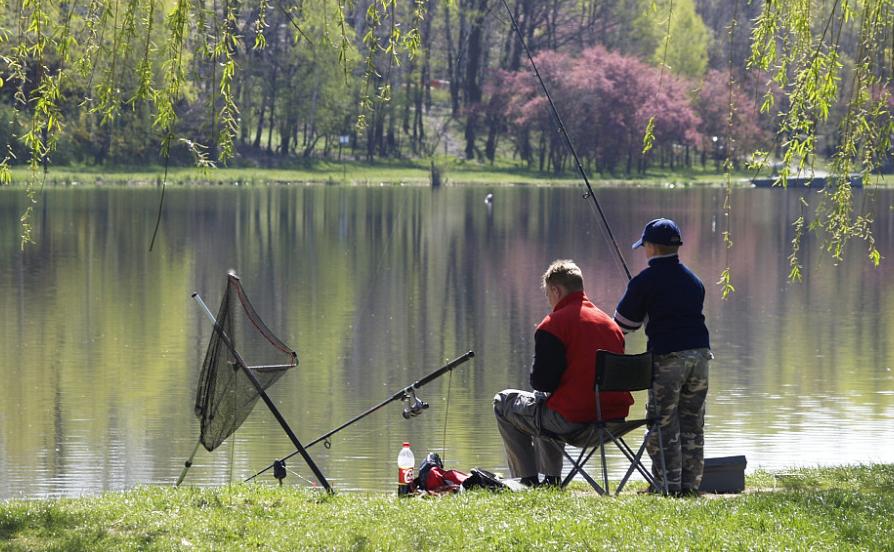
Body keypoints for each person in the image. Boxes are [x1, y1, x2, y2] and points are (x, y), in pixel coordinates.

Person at [493, 259, 631, 487]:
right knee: (545, 404)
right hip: (613, 420)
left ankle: (525, 481)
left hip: (574, 422)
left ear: (556, 290)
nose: (549, 300)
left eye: (548, 294)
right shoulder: (611, 325)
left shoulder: (553, 325)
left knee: (505, 401)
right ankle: (550, 480)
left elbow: (542, 381)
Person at [613, 218, 712, 496]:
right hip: (701, 357)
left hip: (669, 359)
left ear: (652, 247)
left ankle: (666, 486)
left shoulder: (645, 281)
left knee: (662, 423)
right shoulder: (694, 281)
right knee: (692, 422)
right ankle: (689, 486)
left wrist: (640, 305)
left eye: (644, 246)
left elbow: (623, 325)